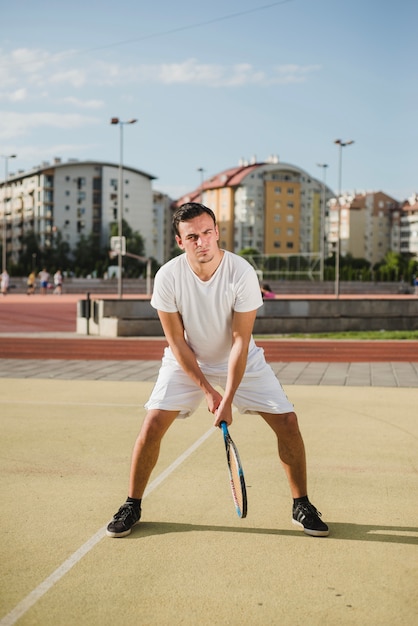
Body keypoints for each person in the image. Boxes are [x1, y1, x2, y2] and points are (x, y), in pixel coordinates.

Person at [106, 203, 329, 539]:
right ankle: (131, 504)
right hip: (187, 360)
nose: (202, 241)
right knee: (152, 424)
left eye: (207, 232)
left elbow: (240, 340)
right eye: (192, 236)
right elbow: (177, 343)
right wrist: (209, 391)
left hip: (242, 359)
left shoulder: (241, 272)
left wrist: (229, 397)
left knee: (288, 422)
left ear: (217, 232)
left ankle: (302, 504)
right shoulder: (167, 276)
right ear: (180, 242)